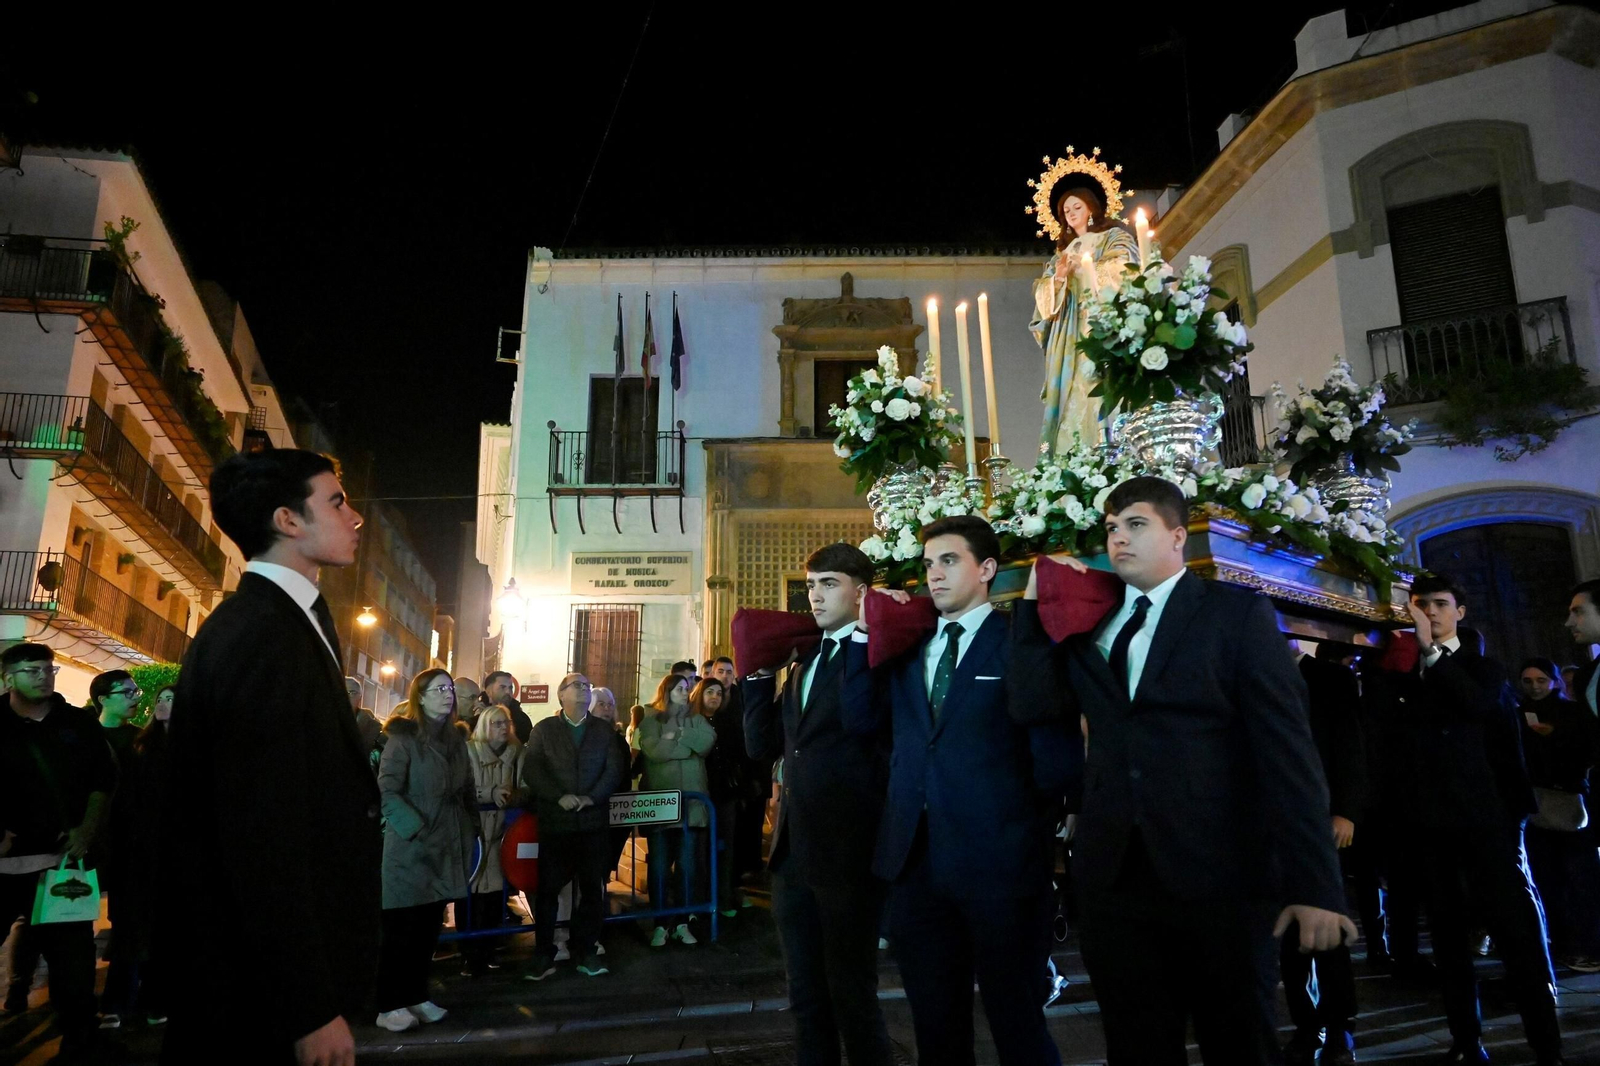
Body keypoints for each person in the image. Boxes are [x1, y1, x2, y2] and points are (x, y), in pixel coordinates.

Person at [1008, 478, 1350, 1066]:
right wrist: (1031, 608)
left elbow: (1288, 756)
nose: (1118, 538)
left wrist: (1315, 885)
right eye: (1111, 528)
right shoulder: (1095, 621)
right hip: (1115, 878)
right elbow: (1032, 703)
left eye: (1135, 525)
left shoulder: (1234, 614)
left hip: (1221, 876)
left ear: (1176, 536)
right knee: (1136, 1046)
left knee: (1238, 1044)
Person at [159, 447, 379, 1066]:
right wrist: (307, 1006)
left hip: (263, 988)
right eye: (336, 502)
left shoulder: (286, 619)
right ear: (288, 520)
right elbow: (259, 834)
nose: (355, 516)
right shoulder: (260, 632)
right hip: (254, 1003)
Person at [841, 516, 1077, 1066]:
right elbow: (860, 721)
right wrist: (862, 633)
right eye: (929, 564)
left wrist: (1029, 836)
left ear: (987, 568)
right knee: (935, 1027)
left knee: (1017, 1023)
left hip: (999, 867)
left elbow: (1052, 754)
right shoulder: (910, 647)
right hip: (916, 865)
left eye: (949, 561)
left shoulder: (1016, 639)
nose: (934, 575)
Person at [1367, 572, 1562, 1065]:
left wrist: (1431, 654)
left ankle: (1547, 1045)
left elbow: (1474, 704)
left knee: (1516, 938)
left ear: (1460, 612)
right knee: (1448, 940)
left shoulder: (1484, 667)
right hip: (1430, 827)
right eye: (1420, 604)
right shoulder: (1401, 673)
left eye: (1439, 603)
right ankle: (1466, 1042)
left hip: (1487, 825)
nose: (1429, 612)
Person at [745, 542, 893, 1066]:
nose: (815, 596)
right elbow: (761, 746)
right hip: (793, 854)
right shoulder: (803, 660)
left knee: (852, 995)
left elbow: (861, 723)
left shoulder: (876, 655)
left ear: (862, 593)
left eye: (829, 584)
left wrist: (862, 639)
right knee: (805, 997)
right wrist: (758, 675)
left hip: (848, 852)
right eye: (811, 585)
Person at [0, 643, 114, 1059]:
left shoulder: (77, 723)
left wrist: (86, 830)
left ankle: (79, 1041)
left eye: (49, 669)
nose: (44, 677)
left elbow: (103, 781)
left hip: (61, 865)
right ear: (8, 677)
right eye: (32, 670)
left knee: (73, 965)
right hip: (3, 866)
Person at [1279, 641, 1366, 1066]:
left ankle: (1339, 1025)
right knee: (1286, 931)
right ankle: (1306, 1024)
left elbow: (1350, 743)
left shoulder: (1330, 677)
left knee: (1327, 924)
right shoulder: (1248, 672)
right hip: (1273, 819)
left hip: (1320, 816)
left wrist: (1346, 809)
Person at [375, 668, 475, 1032]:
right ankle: (388, 1005)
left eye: (449, 688)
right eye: (438, 689)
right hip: (410, 848)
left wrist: (471, 827)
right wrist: (415, 827)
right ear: (420, 696)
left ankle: (416, 995)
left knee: (428, 928)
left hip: (446, 843)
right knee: (401, 928)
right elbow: (387, 789)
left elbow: (466, 789)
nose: (447, 695)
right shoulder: (402, 739)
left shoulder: (456, 740)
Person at [521, 673, 625, 980]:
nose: (584, 689)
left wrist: (593, 797)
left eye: (586, 686)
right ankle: (544, 954)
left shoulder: (602, 731)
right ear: (561, 695)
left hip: (592, 823)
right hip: (557, 824)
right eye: (576, 685)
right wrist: (559, 796)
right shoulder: (545, 729)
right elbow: (533, 769)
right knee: (548, 891)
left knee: (592, 890)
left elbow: (613, 769)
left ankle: (587, 950)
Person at [1030, 174, 1141, 455]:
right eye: (1066, 211)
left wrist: (1086, 266)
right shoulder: (1059, 257)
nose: (1071, 214)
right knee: (1074, 394)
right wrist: (1059, 279)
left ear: (1091, 207)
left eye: (1077, 207)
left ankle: (1116, 447)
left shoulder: (1113, 237)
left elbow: (1127, 266)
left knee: (1104, 384)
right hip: (1070, 335)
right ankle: (1075, 457)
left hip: (1105, 323)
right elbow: (1043, 301)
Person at [1518, 656, 1600, 971]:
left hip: (1568, 799)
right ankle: (1564, 943)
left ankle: (1587, 945)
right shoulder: (1519, 713)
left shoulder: (1573, 713)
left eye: (1541, 680)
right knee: (1548, 880)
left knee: (1580, 880)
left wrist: (1554, 738)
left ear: (1553, 682)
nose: (1535, 687)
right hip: (1537, 805)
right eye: (1528, 681)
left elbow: (1587, 752)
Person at [636, 671, 716, 948]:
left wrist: (676, 736)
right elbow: (654, 752)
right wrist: (684, 745)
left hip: (691, 807)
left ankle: (682, 922)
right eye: (679, 688)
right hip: (661, 808)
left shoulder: (698, 720)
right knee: (659, 868)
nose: (685, 692)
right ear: (666, 692)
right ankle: (660, 924)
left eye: (687, 688)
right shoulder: (650, 721)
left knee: (687, 868)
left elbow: (705, 744)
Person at [90, 668, 145, 1032]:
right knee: (68, 923)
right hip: (88, 842)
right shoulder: (83, 738)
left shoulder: (143, 740)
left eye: (135, 691)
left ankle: (115, 1001)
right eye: (126, 692)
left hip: (129, 846)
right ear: (103, 699)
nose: (134, 698)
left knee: (127, 926)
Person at [459, 705, 526, 977]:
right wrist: (490, 793)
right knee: (469, 896)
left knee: (495, 897)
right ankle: (468, 954)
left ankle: (488, 950)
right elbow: (461, 788)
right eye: (496, 723)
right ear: (484, 726)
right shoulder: (468, 752)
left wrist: (512, 796)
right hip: (474, 836)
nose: (503, 727)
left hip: (502, 836)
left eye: (506, 722)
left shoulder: (518, 753)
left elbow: (526, 789)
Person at [702, 670, 747, 917]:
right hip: (701, 793)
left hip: (725, 793)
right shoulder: (694, 720)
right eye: (709, 692)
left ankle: (723, 897)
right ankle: (701, 899)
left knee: (725, 847)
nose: (715, 697)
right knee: (701, 849)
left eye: (718, 693)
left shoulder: (727, 722)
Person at [589, 687, 634, 875]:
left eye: (610, 705)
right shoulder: (584, 738)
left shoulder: (618, 739)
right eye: (601, 704)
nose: (607, 709)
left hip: (615, 807)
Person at [346, 676, 384, 772]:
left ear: (360, 697)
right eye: (341, 692)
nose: (346, 697)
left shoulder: (376, 731)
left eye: (351, 693)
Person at [482, 671, 532, 744]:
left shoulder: (521, 719)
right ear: (488, 691)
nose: (508, 692)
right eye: (502, 687)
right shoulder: (477, 717)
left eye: (510, 688)